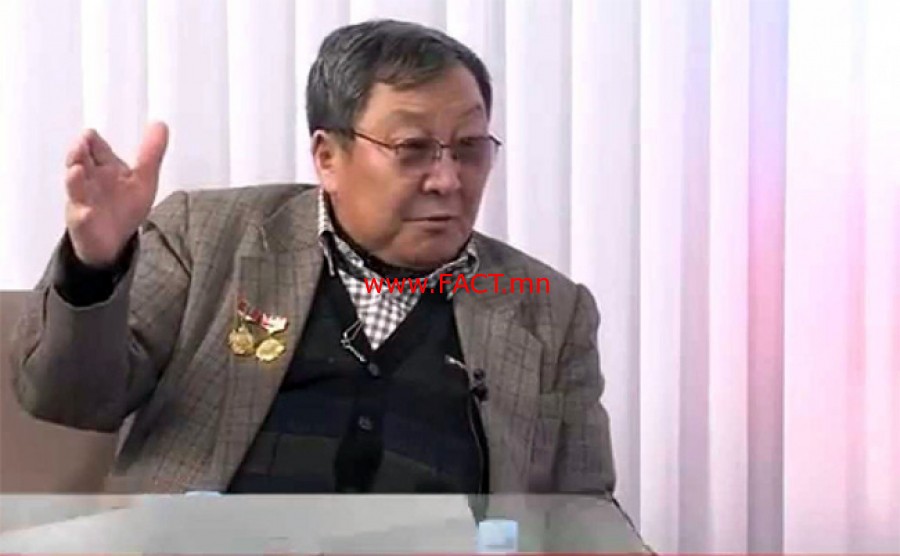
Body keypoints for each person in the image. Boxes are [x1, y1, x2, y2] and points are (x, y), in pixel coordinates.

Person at [10, 18, 647, 549]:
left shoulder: (549, 311)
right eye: (413, 148)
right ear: (328, 157)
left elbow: (580, 504)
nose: (448, 180)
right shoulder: (206, 237)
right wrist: (95, 265)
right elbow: (68, 398)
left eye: (470, 147)